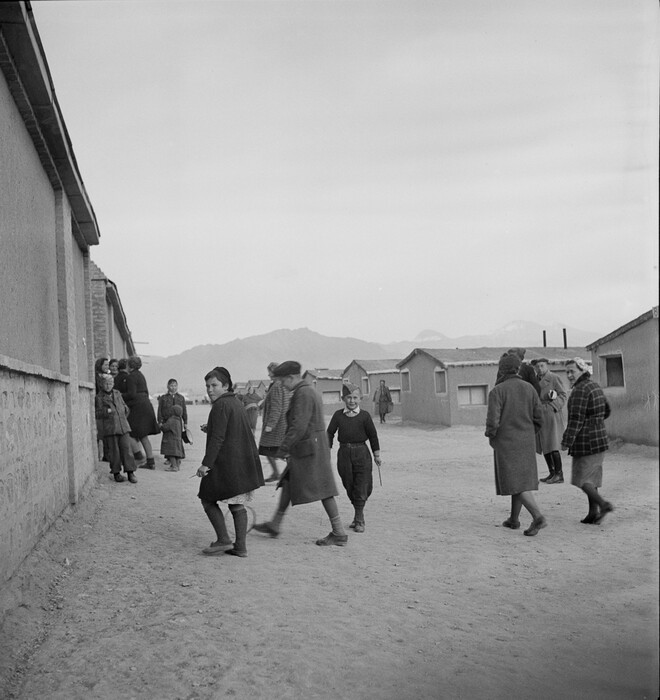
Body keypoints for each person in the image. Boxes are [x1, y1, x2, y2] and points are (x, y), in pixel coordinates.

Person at [254, 361, 348, 547]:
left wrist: (284, 448)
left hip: (309, 448)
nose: (281, 385)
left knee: (324, 488)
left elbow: (298, 426)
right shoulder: (305, 391)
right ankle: (275, 524)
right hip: (309, 446)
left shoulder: (302, 393)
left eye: (282, 381)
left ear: (291, 378)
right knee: (288, 481)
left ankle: (339, 532)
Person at [195, 367, 264, 558]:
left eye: (214, 385)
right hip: (241, 463)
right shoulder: (234, 401)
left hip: (227, 463)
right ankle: (240, 547)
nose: (210, 389)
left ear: (226, 385)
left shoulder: (220, 405)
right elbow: (229, 428)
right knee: (236, 504)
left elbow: (218, 438)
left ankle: (224, 539)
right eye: (207, 386)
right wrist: (211, 427)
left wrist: (205, 465)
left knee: (207, 499)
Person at [485, 353, 546, 536]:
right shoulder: (529, 388)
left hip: (506, 442)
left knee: (514, 482)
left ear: (501, 369)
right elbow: (539, 418)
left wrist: (492, 436)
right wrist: (528, 433)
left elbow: (492, 422)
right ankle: (514, 519)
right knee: (519, 481)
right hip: (526, 441)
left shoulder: (497, 391)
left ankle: (538, 517)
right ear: (518, 369)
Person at [561, 357, 614, 524]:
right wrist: (596, 421)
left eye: (572, 371)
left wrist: (566, 441)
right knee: (592, 478)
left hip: (586, 440)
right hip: (600, 438)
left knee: (581, 479)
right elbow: (607, 410)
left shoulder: (579, 390)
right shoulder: (594, 385)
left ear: (582, 370)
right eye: (567, 371)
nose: (569, 375)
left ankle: (603, 505)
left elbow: (576, 419)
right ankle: (592, 513)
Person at [327, 384, 381, 533]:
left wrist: (376, 454)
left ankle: (359, 519)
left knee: (362, 484)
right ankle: (358, 514)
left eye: (355, 397)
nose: (352, 401)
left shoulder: (365, 416)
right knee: (349, 485)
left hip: (362, 453)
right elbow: (329, 433)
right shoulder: (338, 415)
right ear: (343, 398)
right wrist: (327, 450)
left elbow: (373, 436)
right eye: (349, 397)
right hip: (344, 453)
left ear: (360, 399)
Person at [95, 374, 137, 483]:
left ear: (113, 384)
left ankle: (130, 472)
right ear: (101, 384)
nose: (108, 386)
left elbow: (124, 407)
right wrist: (107, 411)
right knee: (114, 452)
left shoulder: (117, 393)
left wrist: (124, 412)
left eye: (110, 383)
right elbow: (97, 413)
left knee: (127, 449)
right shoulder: (99, 397)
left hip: (123, 426)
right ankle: (116, 473)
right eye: (106, 383)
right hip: (110, 428)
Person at [533, 358, 568, 484]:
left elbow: (563, 395)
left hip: (551, 414)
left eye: (542, 365)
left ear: (546, 366)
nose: (540, 369)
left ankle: (559, 474)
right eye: (537, 367)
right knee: (544, 444)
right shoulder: (534, 380)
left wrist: (553, 407)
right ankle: (552, 473)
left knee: (553, 444)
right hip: (539, 414)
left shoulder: (554, 378)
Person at [124, 355, 160, 469]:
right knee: (143, 435)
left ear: (130, 365)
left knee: (127, 430)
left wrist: (120, 395)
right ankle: (150, 461)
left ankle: (138, 456)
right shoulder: (141, 376)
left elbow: (132, 394)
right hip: (146, 406)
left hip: (138, 408)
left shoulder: (131, 377)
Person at [258, 362, 291, 482]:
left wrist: (270, 425)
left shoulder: (277, 386)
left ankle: (286, 473)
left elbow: (277, 407)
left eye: (270, 372)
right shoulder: (279, 385)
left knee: (273, 449)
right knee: (273, 450)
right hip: (281, 423)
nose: (268, 374)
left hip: (277, 425)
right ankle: (278, 473)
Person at [157, 378, 188, 465]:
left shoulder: (181, 398)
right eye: (171, 385)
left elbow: (184, 410)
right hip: (167, 421)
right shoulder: (163, 398)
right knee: (167, 440)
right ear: (168, 386)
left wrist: (185, 422)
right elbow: (159, 410)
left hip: (178, 423)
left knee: (177, 440)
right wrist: (160, 421)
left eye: (175, 385)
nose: (173, 387)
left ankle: (178, 457)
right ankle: (168, 458)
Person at [161, 404, 184, 472]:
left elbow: (165, 427)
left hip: (170, 440)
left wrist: (161, 426)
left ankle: (174, 466)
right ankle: (177, 465)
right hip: (178, 440)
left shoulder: (171, 420)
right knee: (177, 455)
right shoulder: (179, 420)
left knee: (171, 454)